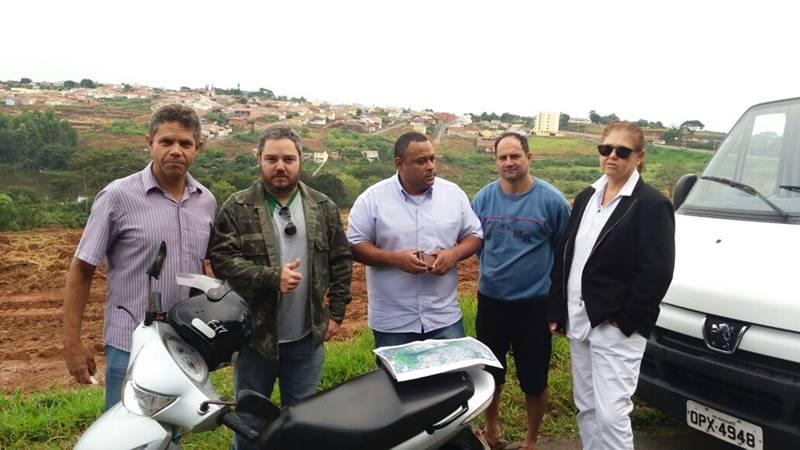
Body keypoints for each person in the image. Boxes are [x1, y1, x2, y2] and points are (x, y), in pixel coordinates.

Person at [63, 104, 216, 411]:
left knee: (171, 428)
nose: (176, 151)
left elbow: (207, 268)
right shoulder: (117, 197)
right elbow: (81, 270)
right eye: (166, 141)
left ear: (197, 148)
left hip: (184, 346)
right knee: (127, 429)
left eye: (185, 143)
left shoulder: (206, 202)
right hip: (129, 346)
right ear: (149, 143)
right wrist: (72, 342)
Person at [210, 126, 352, 450]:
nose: (280, 166)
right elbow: (222, 260)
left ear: (300, 160)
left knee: (300, 422)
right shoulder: (237, 207)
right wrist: (270, 276)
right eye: (271, 159)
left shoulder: (322, 207)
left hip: (305, 339)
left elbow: (341, 259)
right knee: (249, 424)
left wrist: (337, 313)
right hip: (255, 339)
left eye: (288, 159)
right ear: (258, 159)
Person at [548, 121, 675, 450]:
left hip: (615, 326)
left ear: (639, 156)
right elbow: (567, 254)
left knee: (611, 415)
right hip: (579, 320)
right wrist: (558, 309)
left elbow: (657, 271)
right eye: (606, 149)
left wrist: (627, 320)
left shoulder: (650, 205)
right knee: (587, 408)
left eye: (622, 151)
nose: (612, 156)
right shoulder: (587, 197)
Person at [471, 132, 570, 450]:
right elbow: (476, 243)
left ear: (529, 157)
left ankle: (531, 440)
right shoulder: (483, 199)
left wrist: (558, 305)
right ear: (495, 161)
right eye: (502, 157)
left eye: (515, 156)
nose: (509, 162)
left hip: (535, 306)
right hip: (491, 302)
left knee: (534, 378)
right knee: (490, 373)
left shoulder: (552, 201)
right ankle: (491, 429)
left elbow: (563, 253)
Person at [347, 131, 482, 348]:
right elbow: (355, 246)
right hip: (393, 321)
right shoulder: (372, 199)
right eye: (421, 161)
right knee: (396, 372)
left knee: (451, 371)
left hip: (443, 316)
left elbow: (474, 235)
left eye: (432, 159)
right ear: (399, 164)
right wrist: (395, 259)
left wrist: (453, 254)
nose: (430, 166)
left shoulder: (453, 195)